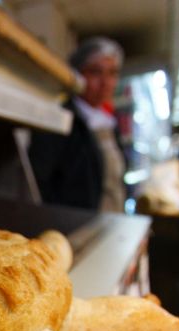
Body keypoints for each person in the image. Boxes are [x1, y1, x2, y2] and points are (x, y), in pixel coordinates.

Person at [28, 37, 127, 212]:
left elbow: (117, 182)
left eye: (112, 73)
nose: (105, 82)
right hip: (77, 227)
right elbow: (38, 183)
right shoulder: (59, 119)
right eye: (96, 72)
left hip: (111, 222)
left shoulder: (111, 123)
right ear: (78, 75)